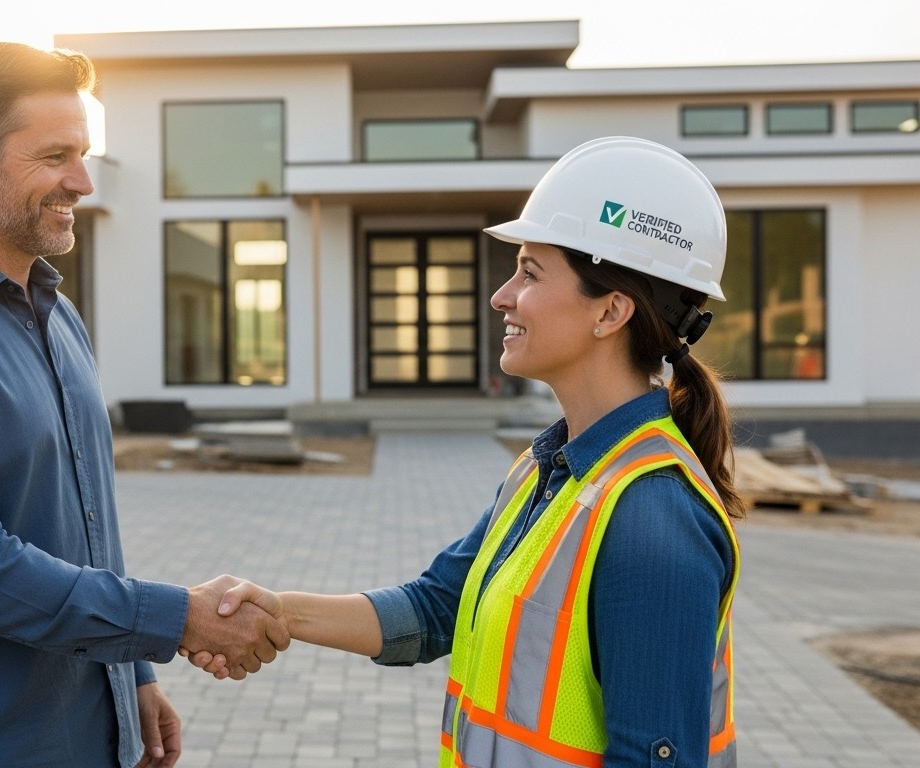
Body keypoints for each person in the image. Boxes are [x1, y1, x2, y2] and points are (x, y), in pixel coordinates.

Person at [186, 136, 745, 767]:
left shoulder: (652, 519)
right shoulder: (548, 468)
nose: (501, 295)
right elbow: (437, 608)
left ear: (611, 311)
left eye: (530, 272)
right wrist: (279, 611)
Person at [0, 42, 287, 768]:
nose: (82, 182)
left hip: (84, 728)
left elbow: (87, 521)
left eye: (86, 154)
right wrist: (176, 618)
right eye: (56, 156)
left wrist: (133, 673)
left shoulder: (58, 316)